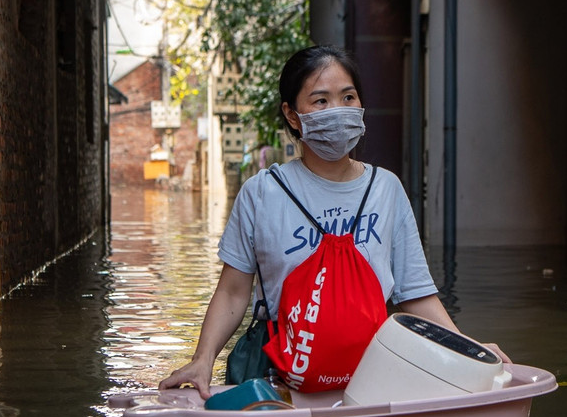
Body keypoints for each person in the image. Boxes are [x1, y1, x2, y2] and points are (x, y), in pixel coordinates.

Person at [160, 45, 508, 398]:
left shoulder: (385, 189)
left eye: (348, 97)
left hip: (373, 377)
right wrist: (202, 359)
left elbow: (415, 293)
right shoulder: (262, 193)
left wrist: (469, 351)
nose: (337, 111)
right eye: (321, 101)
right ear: (293, 115)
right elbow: (234, 292)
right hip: (280, 381)